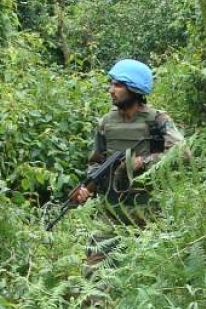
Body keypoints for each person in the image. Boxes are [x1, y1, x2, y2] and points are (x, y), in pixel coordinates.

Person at [70, 59, 185, 268]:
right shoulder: (106, 122)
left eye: (118, 85)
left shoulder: (156, 120)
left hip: (148, 208)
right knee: (94, 267)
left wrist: (145, 162)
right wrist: (88, 187)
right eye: (111, 84)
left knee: (152, 268)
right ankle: (97, 302)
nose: (111, 90)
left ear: (134, 88)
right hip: (111, 208)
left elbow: (182, 153)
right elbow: (97, 161)